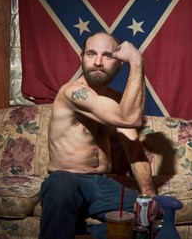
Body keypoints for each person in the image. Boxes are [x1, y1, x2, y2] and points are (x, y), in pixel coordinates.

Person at [39, 32, 157, 239]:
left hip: (102, 185)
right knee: (59, 185)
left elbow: (133, 148)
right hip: (67, 181)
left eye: (107, 56)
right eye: (91, 54)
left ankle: (84, 234)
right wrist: (137, 60)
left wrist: (148, 194)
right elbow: (130, 118)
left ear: (119, 65)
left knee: (149, 215)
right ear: (82, 57)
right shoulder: (73, 92)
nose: (98, 62)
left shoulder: (115, 101)